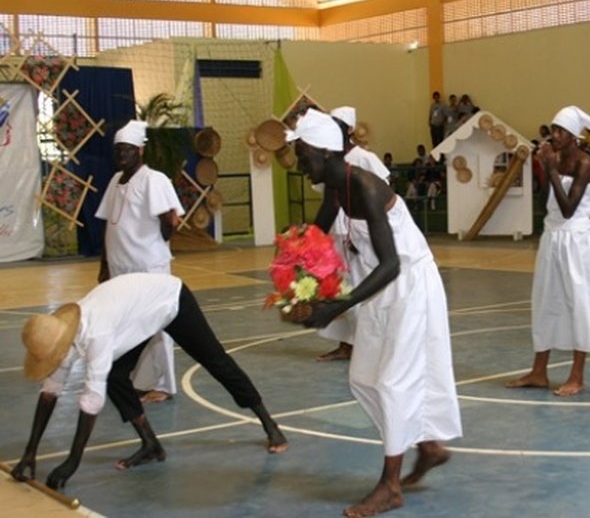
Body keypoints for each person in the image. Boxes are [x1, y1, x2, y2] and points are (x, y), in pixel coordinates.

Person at [288, 108, 462, 518]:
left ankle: (390, 486)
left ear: (327, 154)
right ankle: (428, 446)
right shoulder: (334, 187)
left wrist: (337, 306)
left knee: (392, 381)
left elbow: (391, 264)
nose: (298, 164)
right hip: (380, 291)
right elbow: (316, 237)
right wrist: (296, 279)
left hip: (408, 286)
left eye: (303, 155)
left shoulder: (364, 185)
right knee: (364, 378)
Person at [10, 272, 288, 490]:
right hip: (137, 314)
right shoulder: (60, 336)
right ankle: (151, 445)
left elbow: (91, 400)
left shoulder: (97, 332)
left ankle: (269, 423)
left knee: (216, 361)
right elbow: (50, 392)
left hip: (170, 299)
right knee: (117, 376)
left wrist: (72, 462)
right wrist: (29, 454)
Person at [506, 106, 590, 396]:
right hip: (552, 238)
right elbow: (545, 205)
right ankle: (539, 371)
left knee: (579, 304)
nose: (554, 135)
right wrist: (543, 169)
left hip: (576, 241)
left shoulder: (585, 163)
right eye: (553, 128)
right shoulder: (556, 159)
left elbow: (567, 209)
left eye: (561, 130)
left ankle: (577, 375)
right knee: (545, 301)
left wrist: (549, 168)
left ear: (574, 136)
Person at [96, 120, 184, 404]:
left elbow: (168, 221)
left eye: (128, 150)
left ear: (140, 151)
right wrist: (105, 266)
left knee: (157, 328)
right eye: (119, 150)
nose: (122, 155)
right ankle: (141, 379)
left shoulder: (154, 179)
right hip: (121, 269)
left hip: (148, 267)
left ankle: (164, 384)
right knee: (130, 326)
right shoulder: (115, 182)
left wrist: (168, 229)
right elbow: (109, 226)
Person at [314, 106, 391, 362]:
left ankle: (369, 347)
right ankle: (346, 344)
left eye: (337, 124)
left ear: (348, 130)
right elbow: (328, 200)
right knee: (337, 288)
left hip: (362, 233)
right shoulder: (328, 157)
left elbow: (382, 192)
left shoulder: (364, 158)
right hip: (338, 233)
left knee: (362, 290)